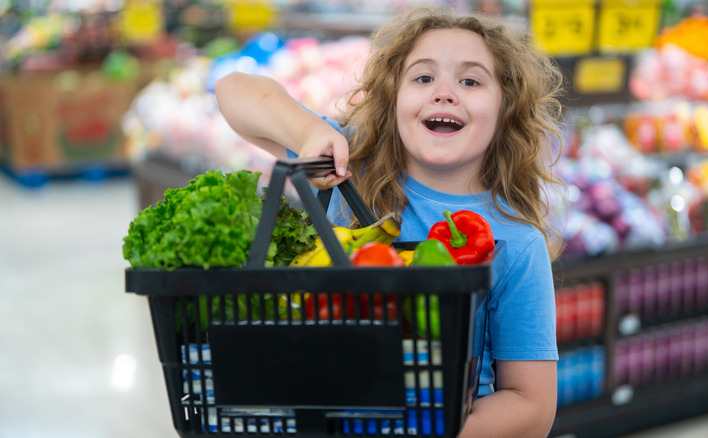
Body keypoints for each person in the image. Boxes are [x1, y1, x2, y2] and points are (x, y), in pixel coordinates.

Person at [215, 6, 564, 437]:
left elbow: (532, 405)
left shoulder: (516, 242)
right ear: (392, 97)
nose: (444, 92)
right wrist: (307, 132)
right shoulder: (349, 166)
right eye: (422, 78)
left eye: (470, 80)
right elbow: (233, 90)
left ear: (506, 107)